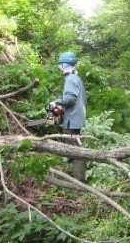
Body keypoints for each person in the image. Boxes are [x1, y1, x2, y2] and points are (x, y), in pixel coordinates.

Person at [49, 51, 87, 182]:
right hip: (76, 118)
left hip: (72, 120)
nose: (60, 67)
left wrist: (56, 102)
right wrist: (62, 110)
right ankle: (74, 175)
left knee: (74, 150)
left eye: (61, 65)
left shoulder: (70, 79)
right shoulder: (77, 79)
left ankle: (79, 179)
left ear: (65, 65)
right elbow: (77, 101)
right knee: (73, 146)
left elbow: (70, 98)